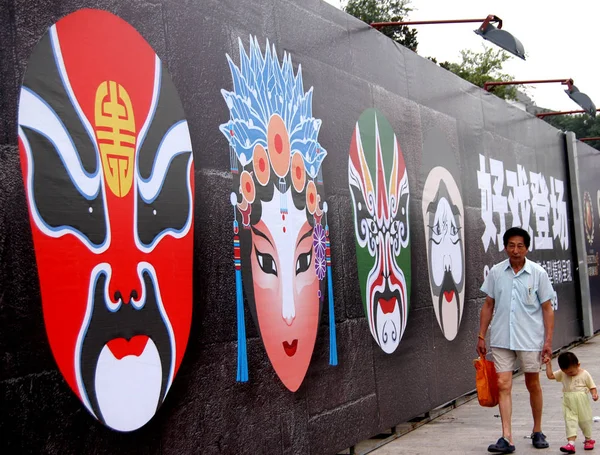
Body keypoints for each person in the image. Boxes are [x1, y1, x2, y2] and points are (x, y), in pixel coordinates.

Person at [477, 227, 556, 453]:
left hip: (530, 339)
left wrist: (548, 341)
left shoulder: (538, 273)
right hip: (501, 338)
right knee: (503, 384)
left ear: (527, 248)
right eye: (511, 245)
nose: (515, 250)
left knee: (533, 384)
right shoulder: (496, 272)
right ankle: (507, 437)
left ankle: (538, 430)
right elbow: (488, 305)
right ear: (505, 247)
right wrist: (481, 335)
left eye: (520, 246)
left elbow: (547, 308)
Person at [544, 352, 598, 453]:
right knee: (570, 422)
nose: (569, 374)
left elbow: (592, 386)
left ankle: (588, 439)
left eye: (572, 372)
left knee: (585, 420)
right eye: (566, 372)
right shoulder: (562, 373)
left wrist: (594, 394)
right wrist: (548, 364)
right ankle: (571, 444)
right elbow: (550, 376)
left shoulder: (585, 374)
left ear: (578, 365)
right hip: (568, 402)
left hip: (582, 402)